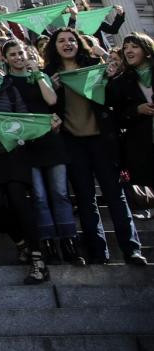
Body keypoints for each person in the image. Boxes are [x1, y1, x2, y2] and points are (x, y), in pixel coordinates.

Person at [45, 28, 145, 265]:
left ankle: (131, 249)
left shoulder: (95, 65)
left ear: (79, 43)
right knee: (86, 199)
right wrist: (51, 88)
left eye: (71, 40)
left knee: (115, 196)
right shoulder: (49, 74)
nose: (67, 44)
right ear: (54, 47)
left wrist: (110, 78)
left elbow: (112, 101)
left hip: (101, 140)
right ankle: (98, 253)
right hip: (72, 142)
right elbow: (45, 108)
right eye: (61, 41)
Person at [0, 50, 51, 284]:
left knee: (20, 205)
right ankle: (21, 244)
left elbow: (23, 116)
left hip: (13, 155)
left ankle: (38, 260)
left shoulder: (10, 89)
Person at [3, 39, 78, 265]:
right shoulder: (6, 83)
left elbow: (52, 100)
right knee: (39, 197)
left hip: (50, 140)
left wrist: (37, 74)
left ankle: (69, 242)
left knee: (60, 194)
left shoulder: (39, 75)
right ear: (5, 59)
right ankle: (47, 244)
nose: (18, 57)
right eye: (13, 55)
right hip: (27, 143)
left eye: (21, 53)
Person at [109, 33, 154, 203]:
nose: (128, 51)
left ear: (147, 51)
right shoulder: (119, 82)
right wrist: (136, 110)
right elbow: (117, 116)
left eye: (134, 47)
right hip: (143, 143)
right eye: (125, 47)